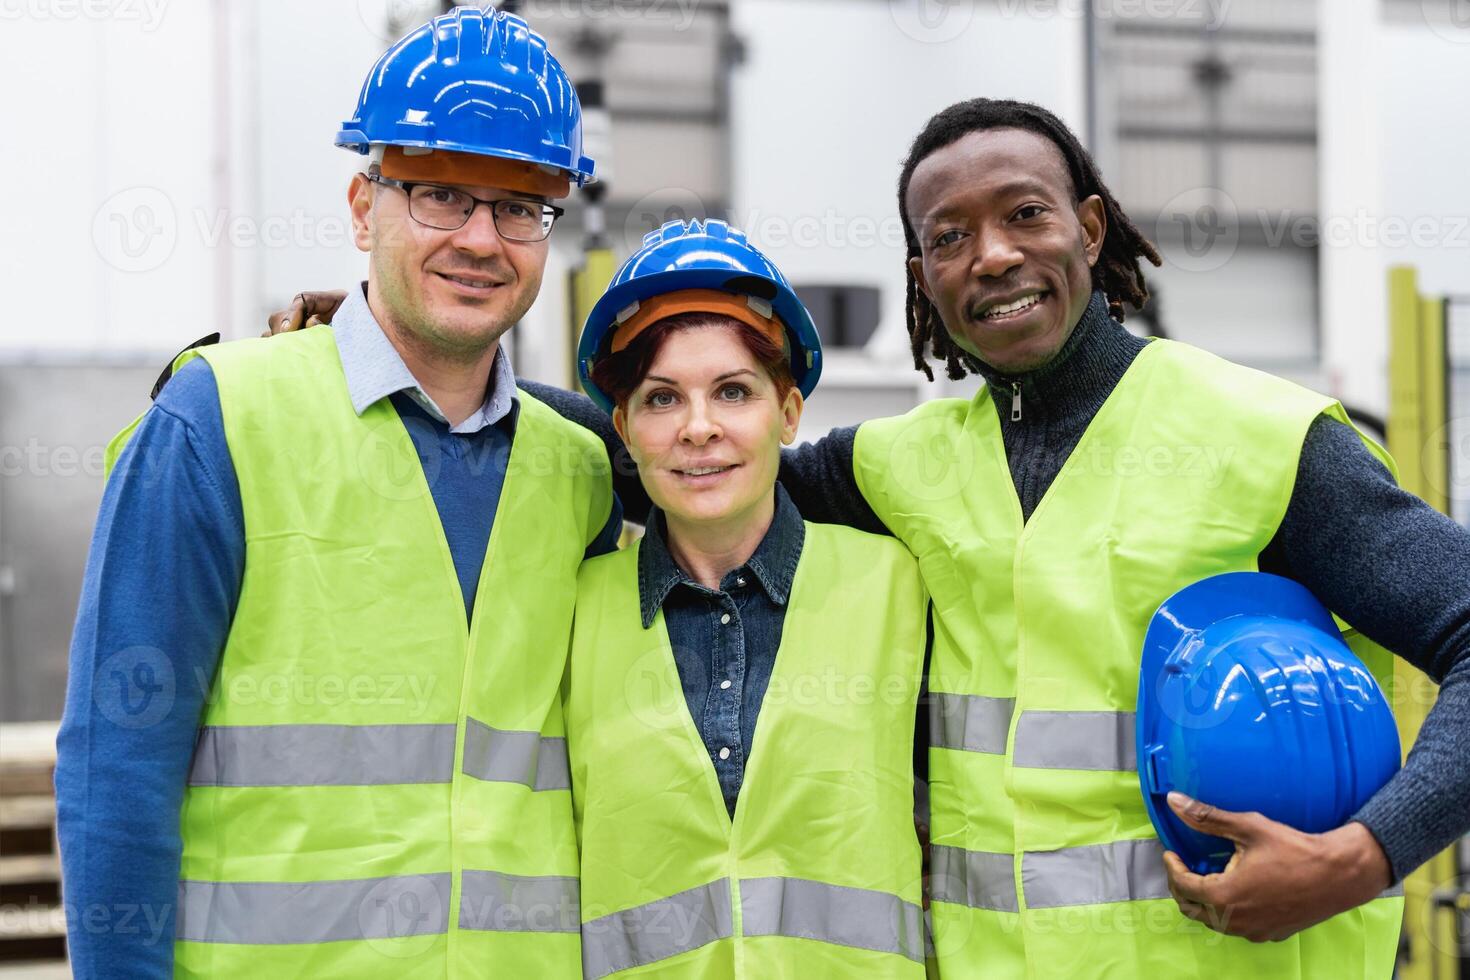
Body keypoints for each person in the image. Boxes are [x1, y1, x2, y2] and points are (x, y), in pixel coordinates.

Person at [271, 98, 1470, 976]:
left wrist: (1369, 852)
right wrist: (426, 352)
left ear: (1091, 228)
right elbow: (690, 464)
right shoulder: (902, 465)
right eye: (949, 236)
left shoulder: (1258, 438)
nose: (991, 253)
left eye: (1024, 215)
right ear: (921, 276)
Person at [56, 9, 618, 977]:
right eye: (442, 194)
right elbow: (119, 770)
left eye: (521, 206)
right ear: (365, 207)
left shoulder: (584, 471)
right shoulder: (219, 421)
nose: (482, 238)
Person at [566, 219, 929, 978]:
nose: (699, 429)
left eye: (733, 391)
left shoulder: (898, 587)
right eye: (662, 399)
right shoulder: (571, 614)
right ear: (625, 429)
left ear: (788, 413)